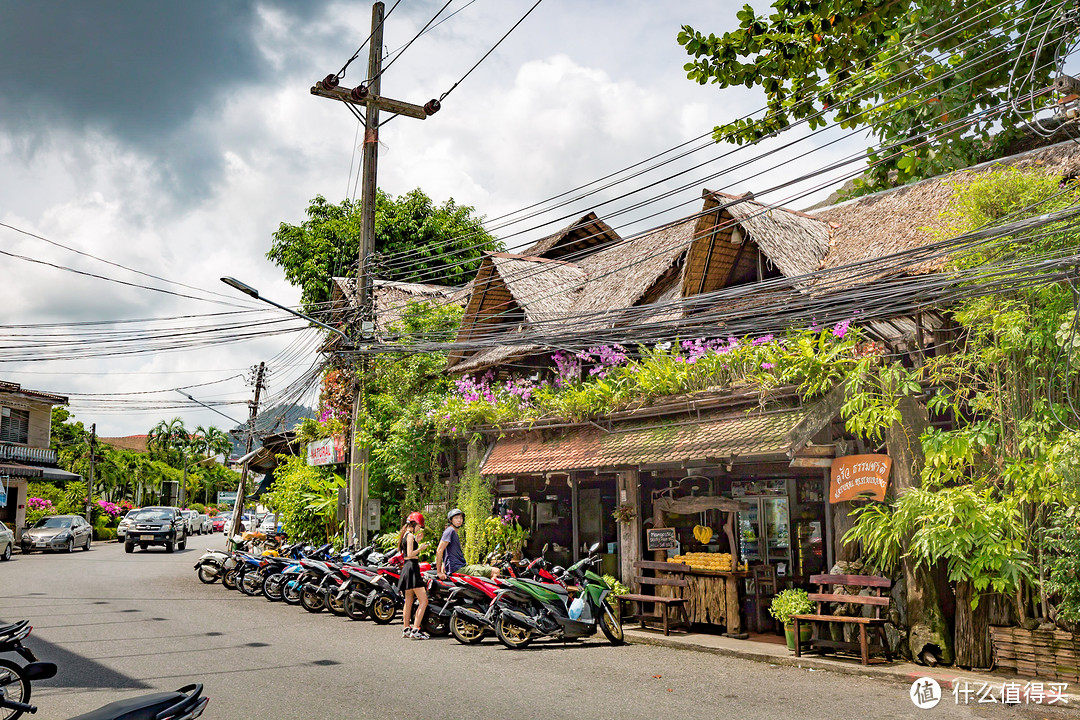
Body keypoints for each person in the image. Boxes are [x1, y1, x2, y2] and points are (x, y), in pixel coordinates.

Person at [436, 508, 500, 580]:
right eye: (456, 518)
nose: (459, 520)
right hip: (459, 569)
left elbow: (446, 553)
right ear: (451, 520)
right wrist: (439, 572)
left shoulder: (452, 532)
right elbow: (439, 550)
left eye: (461, 518)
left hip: (458, 568)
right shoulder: (450, 531)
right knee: (496, 571)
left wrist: (443, 570)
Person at [397, 512, 429, 640]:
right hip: (412, 567)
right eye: (419, 526)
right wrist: (421, 548)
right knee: (423, 601)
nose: (419, 529)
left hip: (406, 568)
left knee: (408, 600)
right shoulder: (409, 535)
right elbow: (410, 554)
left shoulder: (406, 535)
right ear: (414, 524)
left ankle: (406, 628)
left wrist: (417, 541)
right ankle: (416, 629)